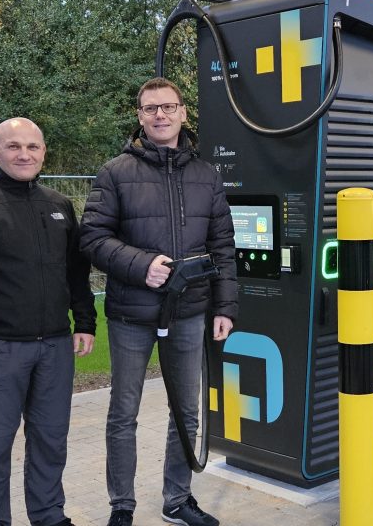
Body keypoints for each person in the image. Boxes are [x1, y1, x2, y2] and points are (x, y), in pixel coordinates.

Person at [80, 77, 238, 526]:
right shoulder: (115, 172)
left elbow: (223, 246)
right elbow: (92, 237)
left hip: (189, 313)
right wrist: (142, 264)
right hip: (132, 314)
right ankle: (122, 505)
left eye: (168, 107)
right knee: (123, 412)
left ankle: (177, 499)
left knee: (187, 412)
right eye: (151, 109)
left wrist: (225, 307)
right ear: (140, 116)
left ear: (183, 112)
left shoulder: (206, 174)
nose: (160, 115)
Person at [0, 118, 97, 526]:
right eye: (13, 146)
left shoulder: (59, 205)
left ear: (43, 151)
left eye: (32, 147)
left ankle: (49, 516)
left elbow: (76, 272)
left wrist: (84, 321)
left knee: (51, 441)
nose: (24, 154)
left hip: (54, 347)